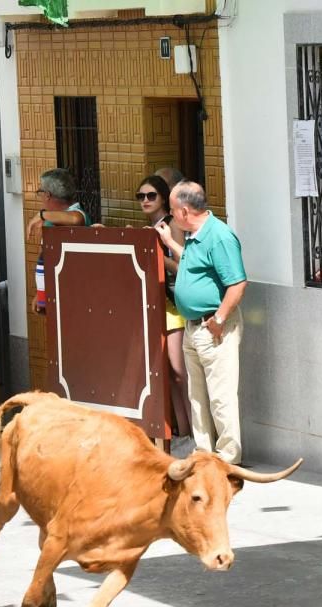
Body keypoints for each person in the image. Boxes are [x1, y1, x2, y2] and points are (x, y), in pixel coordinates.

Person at [155, 181, 246, 464]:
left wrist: (218, 320)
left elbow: (238, 284)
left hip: (213, 326)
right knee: (197, 396)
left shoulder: (218, 236)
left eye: (171, 210)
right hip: (194, 326)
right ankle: (204, 454)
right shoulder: (195, 235)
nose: (170, 216)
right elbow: (195, 265)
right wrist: (170, 243)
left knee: (220, 396)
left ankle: (228, 457)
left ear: (184, 211)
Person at [134, 174, 193, 457]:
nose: (145, 201)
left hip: (175, 304)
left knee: (180, 372)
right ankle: (181, 431)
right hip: (157, 303)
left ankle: (194, 433)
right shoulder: (150, 228)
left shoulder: (170, 226)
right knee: (167, 373)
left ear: (163, 198)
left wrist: (157, 252)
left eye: (150, 196)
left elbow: (183, 266)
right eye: (140, 196)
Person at [25, 168, 87, 315]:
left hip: (72, 294)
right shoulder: (50, 219)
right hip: (52, 293)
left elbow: (76, 219)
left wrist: (42, 215)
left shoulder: (76, 213)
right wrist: (40, 292)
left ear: (47, 195)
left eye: (40, 192)